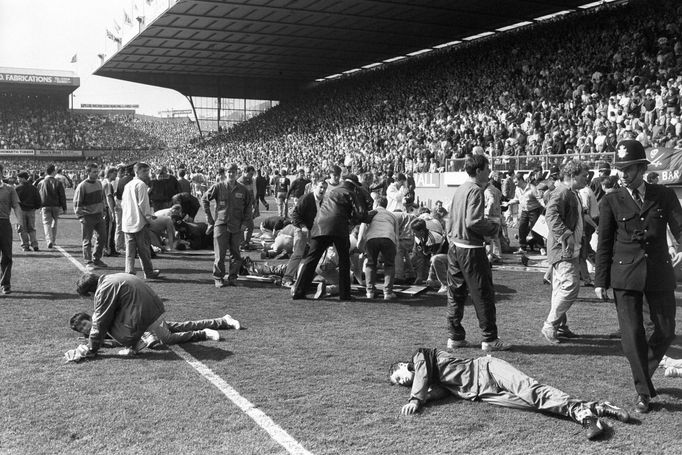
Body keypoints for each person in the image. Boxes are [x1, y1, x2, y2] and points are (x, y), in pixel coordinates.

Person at [595, 139, 682, 414]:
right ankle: (643, 392)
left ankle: (642, 372)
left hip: (659, 272)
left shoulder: (664, 195)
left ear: (642, 168)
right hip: (625, 275)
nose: (622, 174)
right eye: (619, 169)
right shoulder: (610, 200)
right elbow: (604, 243)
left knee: (666, 330)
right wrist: (600, 281)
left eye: (628, 168)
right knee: (632, 334)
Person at [390, 348, 630, 440]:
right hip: (483, 393)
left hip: (488, 369)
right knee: (534, 404)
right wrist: (429, 396)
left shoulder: (421, 357)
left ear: (404, 364)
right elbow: (442, 390)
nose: (402, 382)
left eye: (398, 375)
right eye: (398, 383)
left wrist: (416, 399)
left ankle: (586, 417)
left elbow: (420, 376)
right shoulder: (431, 376)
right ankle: (597, 406)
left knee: (533, 392)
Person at [64, 272, 241, 362]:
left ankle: (204, 333)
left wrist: (92, 349)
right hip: (151, 308)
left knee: (167, 337)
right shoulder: (112, 278)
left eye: (84, 325)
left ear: (90, 292)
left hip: (144, 314)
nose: (84, 328)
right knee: (176, 327)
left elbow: (101, 322)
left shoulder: (103, 290)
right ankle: (222, 320)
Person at [445, 154, 509, 352]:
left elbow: (451, 217)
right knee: (483, 294)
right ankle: (489, 339)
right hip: (470, 249)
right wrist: (492, 227)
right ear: (479, 170)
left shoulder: (461, 189)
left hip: (455, 246)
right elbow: (472, 221)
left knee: (455, 293)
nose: (489, 172)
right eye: (488, 168)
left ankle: (455, 336)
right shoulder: (475, 190)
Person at [291, 174, 369, 300]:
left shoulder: (330, 193)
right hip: (339, 227)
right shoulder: (351, 193)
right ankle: (345, 295)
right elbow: (361, 214)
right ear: (354, 185)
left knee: (311, 259)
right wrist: (358, 219)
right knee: (344, 261)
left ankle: (298, 291)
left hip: (320, 226)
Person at [541, 159, 589, 344]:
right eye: (584, 175)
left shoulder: (569, 192)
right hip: (563, 249)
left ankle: (560, 326)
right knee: (569, 286)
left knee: (560, 287)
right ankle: (550, 325)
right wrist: (566, 235)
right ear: (572, 175)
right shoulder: (562, 192)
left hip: (567, 248)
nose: (587, 179)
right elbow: (551, 215)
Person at [203, 163, 253, 288]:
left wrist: (245, 223)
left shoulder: (243, 190)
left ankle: (233, 277)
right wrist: (209, 219)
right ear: (225, 173)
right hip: (221, 224)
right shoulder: (218, 187)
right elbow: (204, 199)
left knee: (236, 254)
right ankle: (218, 277)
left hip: (237, 225)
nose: (231, 174)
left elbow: (248, 207)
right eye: (229, 172)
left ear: (237, 173)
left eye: (233, 172)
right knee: (220, 254)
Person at [282, 178, 327, 287]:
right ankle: (287, 278)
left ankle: (308, 276)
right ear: (314, 187)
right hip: (301, 229)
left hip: (315, 229)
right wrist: (303, 227)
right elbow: (295, 215)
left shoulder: (324, 200)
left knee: (317, 253)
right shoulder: (306, 198)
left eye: (325, 188)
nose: (322, 190)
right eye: (321, 187)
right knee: (298, 253)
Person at [121, 162, 160, 280]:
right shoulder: (141, 185)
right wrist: (149, 219)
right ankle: (148, 272)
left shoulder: (128, 185)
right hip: (139, 221)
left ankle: (129, 272)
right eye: (144, 171)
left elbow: (123, 203)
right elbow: (143, 204)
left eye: (147, 171)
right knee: (144, 250)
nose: (147, 174)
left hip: (128, 221)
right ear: (137, 172)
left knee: (130, 250)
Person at [358, 196, 399, 300]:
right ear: (386, 204)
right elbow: (396, 234)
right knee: (389, 265)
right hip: (388, 238)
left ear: (375, 204)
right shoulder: (392, 215)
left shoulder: (370, 213)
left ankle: (370, 292)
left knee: (370, 264)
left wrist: (360, 247)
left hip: (372, 238)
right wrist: (396, 248)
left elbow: (362, 232)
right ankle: (388, 293)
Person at [73, 163, 107, 269]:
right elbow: (77, 202)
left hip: (98, 215)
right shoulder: (82, 186)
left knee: (102, 237)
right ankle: (88, 261)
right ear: (88, 172)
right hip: (87, 216)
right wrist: (80, 216)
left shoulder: (99, 183)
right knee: (87, 240)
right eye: (94, 172)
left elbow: (102, 198)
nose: (96, 174)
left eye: (97, 171)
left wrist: (104, 209)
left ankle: (96, 259)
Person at [0, 164, 23, 295]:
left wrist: (19, 221)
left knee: (7, 255)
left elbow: (16, 206)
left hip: (4, 223)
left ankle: (5, 284)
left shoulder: (9, 189)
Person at [37, 163, 67, 249]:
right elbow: (62, 196)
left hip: (45, 205)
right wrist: (64, 208)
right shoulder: (58, 182)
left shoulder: (41, 182)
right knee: (54, 223)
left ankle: (49, 240)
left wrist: (39, 206)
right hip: (56, 205)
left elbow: (38, 195)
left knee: (46, 224)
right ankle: (53, 240)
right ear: (53, 172)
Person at [14, 171, 41, 252]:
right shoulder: (33, 188)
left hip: (21, 211)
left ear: (22, 178)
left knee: (22, 229)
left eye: (19, 178)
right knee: (32, 228)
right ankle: (35, 244)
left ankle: (25, 246)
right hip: (31, 211)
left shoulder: (17, 188)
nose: (18, 180)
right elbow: (38, 200)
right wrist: (35, 207)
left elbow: (15, 201)